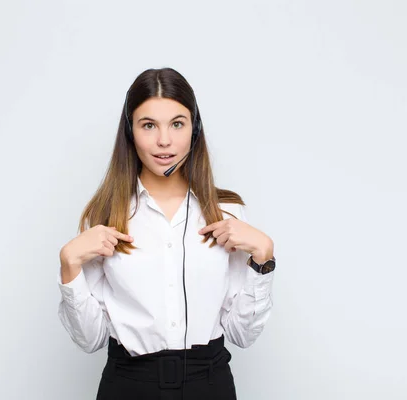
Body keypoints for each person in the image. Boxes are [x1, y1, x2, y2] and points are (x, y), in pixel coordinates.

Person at [57, 67, 276, 400]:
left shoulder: (227, 214)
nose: (164, 140)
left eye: (177, 124)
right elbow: (90, 340)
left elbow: (242, 334)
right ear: (130, 132)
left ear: (194, 129)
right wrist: (69, 267)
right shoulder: (105, 216)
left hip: (209, 383)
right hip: (128, 385)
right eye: (149, 125)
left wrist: (263, 257)